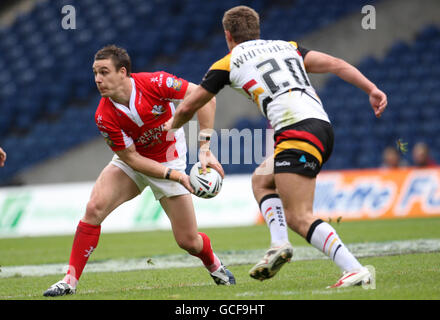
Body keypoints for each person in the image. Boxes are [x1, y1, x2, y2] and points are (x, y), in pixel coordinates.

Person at [167, 6, 387, 288]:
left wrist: (170, 128)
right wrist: (372, 89)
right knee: (261, 179)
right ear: (257, 30)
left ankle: (354, 269)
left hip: (297, 131)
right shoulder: (288, 47)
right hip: (321, 126)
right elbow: (335, 63)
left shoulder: (227, 62)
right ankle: (278, 244)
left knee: (299, 216)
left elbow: (188, 105)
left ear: (227, 35)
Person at [43, 45, 235, 297]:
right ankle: (70, 280)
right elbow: (131, 158)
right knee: (94, 209)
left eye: (104, 72)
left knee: (188, 241)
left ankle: (214, 264)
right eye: (95, 73)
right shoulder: (103, 115)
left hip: (169, 158)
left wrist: (204, 149)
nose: (98, 79)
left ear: (122, 72)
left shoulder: (155, 82)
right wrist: (176, 177)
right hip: (134, 163)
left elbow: (206, 97)